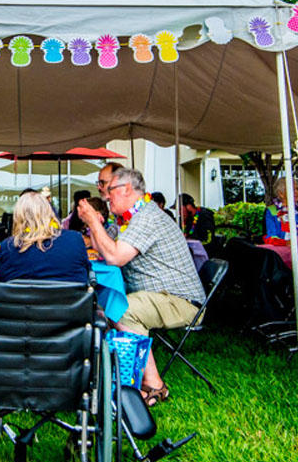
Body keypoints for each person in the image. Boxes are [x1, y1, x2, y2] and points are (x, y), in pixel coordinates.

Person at [78, 168, 204, 407]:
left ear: (126, 190)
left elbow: (114, 257)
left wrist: (94, 221)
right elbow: (105, 250)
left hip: (180, 300)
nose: (106, 196)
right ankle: (111, 373)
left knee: (123, 309)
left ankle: (154, 385)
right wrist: (95, 225)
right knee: (106, 303)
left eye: (110, 189)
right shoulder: (129, 218)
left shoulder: (147, 217)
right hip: (160, 296)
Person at [0, 190, 90, 283]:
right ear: (49, 212)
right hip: (69, 298)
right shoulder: (74, 239)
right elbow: (86, 273)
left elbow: (1, 283)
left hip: (22, 298)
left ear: (19, 216)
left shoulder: (8, 247)